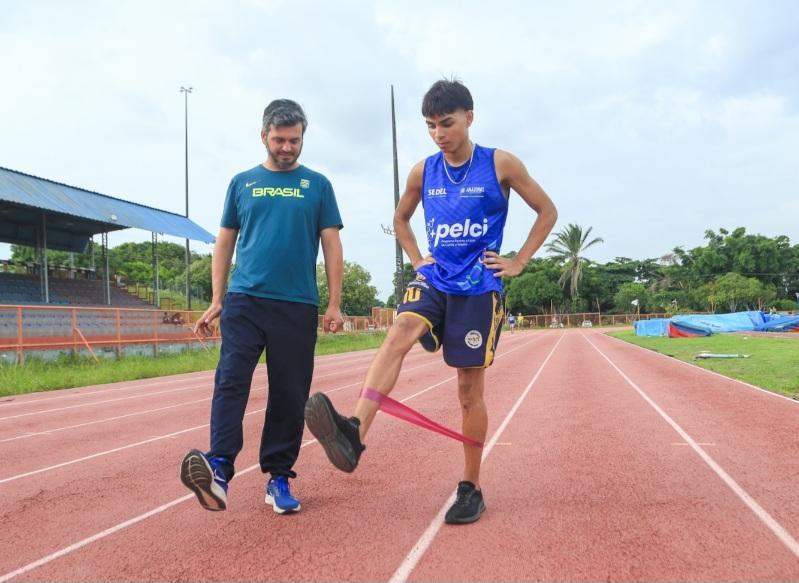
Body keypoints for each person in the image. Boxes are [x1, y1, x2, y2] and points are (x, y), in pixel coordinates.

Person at [305, 79, 557, 524]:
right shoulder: (423, 171)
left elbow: (547, 210)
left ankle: (471, 485)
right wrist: (417, 257)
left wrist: (519, 260)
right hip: (436, 276)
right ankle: (354, 433)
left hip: (479, 287)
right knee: (399, 329)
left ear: (469, 118)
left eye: (447, 123)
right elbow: (401, 218)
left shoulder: (500, 164)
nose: (439, 133)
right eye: (430, 126)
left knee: (467, 391)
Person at [180, 99, 344, 514]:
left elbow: (331, 243)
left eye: (294, 140)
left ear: (303, 137)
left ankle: (278, 477)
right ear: (263, 136)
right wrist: (217, 300)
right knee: (231, 380)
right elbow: (224, 242)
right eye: (279, 139)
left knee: (289, 394)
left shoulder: (318, 185)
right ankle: (219, 468)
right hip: (245, 300)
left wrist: (335, 304)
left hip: (297, 304)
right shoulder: (242, 183)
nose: (287, 147)